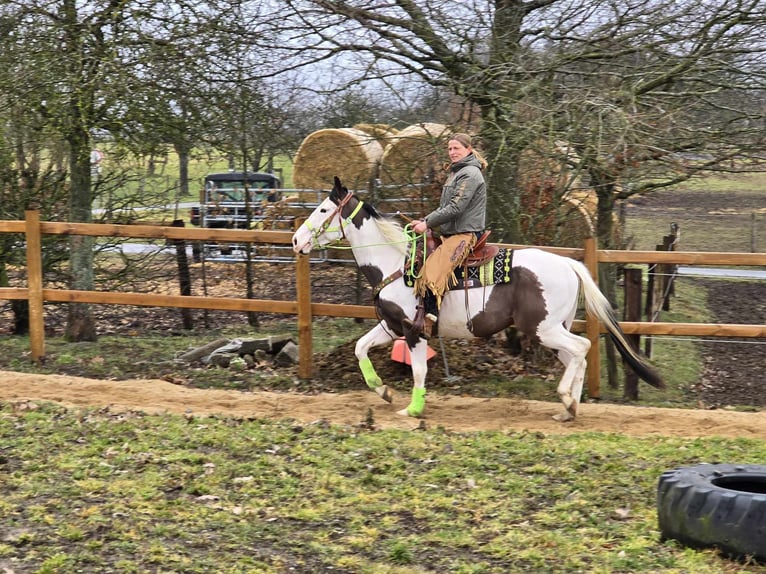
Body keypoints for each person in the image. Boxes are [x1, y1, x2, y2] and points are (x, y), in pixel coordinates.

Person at [404, 133, 487, 339]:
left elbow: (456, 207)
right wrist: (425, 220)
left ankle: (429, 318)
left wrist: (427, 223)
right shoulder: (456, 173)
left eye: (456, 148)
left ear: (468, 149)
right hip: (451, 232)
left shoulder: (470, 174)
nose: (452, 152)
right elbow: (444, 207)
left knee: (432, 271)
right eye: (449, 149)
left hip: (465, 234)